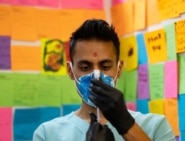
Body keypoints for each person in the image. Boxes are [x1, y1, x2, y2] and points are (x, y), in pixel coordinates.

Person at [33, 19, 176, 141]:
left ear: (118, 69)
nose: (96, 75)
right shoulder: (48, 134)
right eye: (85, 67)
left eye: (105, 66)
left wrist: (126, 125)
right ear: (70, 71)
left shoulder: (155, 126)